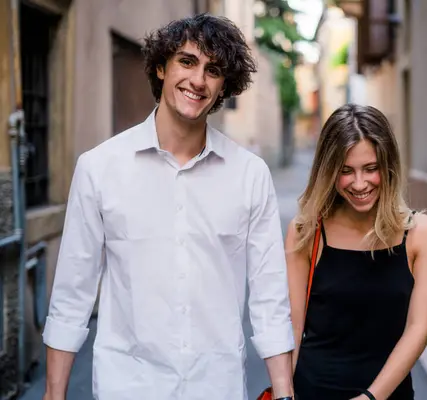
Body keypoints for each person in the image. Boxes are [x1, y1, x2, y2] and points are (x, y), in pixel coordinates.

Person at [42, 14, 295, 400]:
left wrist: (284, 391)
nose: (198, 80)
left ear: (224, 85)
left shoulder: (250, 175)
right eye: (187, 61)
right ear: (161, 67)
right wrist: (53, 394)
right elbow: (72, 292)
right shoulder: (100, 168)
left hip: (217, 386)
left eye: (213, 70)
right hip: (126, 385)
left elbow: (269, 296)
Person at [286, 104, 427, 400]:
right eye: (345, 171)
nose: (360, 184)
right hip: (313, 391)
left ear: (388, 166)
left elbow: (418, 331)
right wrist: (284, 393)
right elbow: (293, 327)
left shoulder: (423, 234)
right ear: (329, 171)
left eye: (371, 169)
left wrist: (371, 398)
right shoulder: (306, 231)